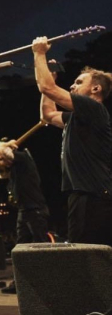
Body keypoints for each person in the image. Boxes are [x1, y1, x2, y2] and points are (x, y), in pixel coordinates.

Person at [33, 37, 112, 245]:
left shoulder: (93, 108)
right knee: (88, 256)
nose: (72, 85)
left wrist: (39, 54)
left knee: (83, 257)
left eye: (79, 82)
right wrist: (51, 76)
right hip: (85, 194)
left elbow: (47, 88)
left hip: (92, 194)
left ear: (95, 89)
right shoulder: (78, 117)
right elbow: (48, 115)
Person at [0, 140, 50, 244]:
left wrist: (4, 147)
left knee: (41, 244)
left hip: (35, 209)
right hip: (23, 210)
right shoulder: (13, 169)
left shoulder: (23, 158)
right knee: (21, 245)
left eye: (1, 159)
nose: (1, 163)